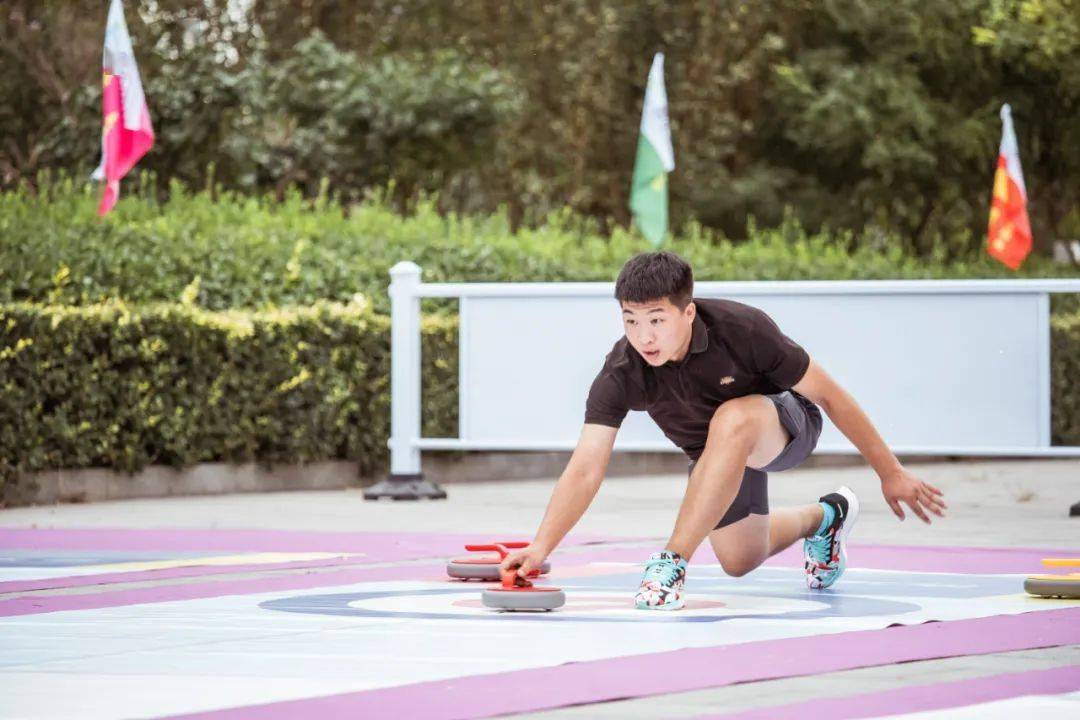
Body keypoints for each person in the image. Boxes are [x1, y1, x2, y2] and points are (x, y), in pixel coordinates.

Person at [500, 251, 947, 610]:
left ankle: (671, 562)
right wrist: (541, 547)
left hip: (784, 426)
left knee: (732, 417)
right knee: (739, 558)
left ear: (688, 312)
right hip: (714, 455)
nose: (644, 336)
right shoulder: (621, 371)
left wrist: (890, 472)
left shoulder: (742, 329)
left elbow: (831, 396)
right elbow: (585, 467)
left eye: (657, 319)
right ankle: (827, 516)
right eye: (630, 320)